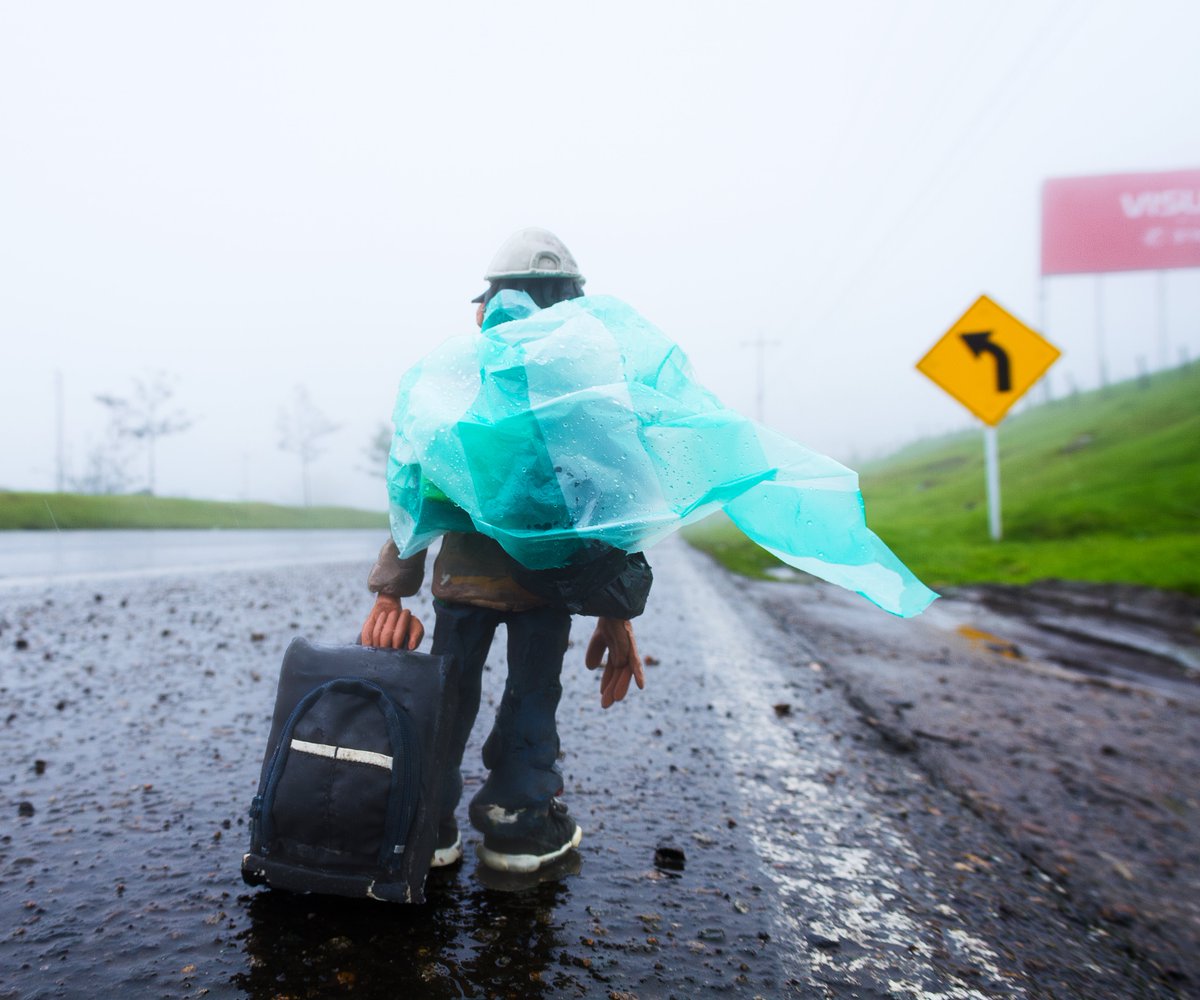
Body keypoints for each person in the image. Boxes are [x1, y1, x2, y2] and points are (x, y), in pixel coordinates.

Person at [361, 227, 648, 875]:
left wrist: (393, 584)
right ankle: (519, 825)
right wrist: (615, 608)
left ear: (486, 306)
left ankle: (424, 824)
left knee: (449, 691)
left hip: (462, 582)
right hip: (546, 587)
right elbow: (615, 508)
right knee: (532, 692)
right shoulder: (586, 394)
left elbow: (419, 482)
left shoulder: (463, 380)